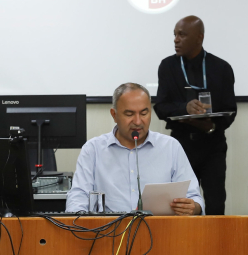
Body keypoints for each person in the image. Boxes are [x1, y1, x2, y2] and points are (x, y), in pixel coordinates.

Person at [66, 83, 205, 215]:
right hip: (109, 233)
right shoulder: (93, 150)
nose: (138, 121)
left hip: (161, 232)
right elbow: (78, 198)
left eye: (144, 113)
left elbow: (195, 198)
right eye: (129, 114)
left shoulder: (171, 147)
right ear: (114, 115)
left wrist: (193, 207)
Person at [154, 16, 236, 215]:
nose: (176, 39)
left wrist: (211, 126)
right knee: (180, 205)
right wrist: (185, 108)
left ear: (199, 38)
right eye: (174, 34)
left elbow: (230, 109)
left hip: (212, 145)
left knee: (215, 204)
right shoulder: (168, 66)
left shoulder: (221, 67)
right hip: (181, 146)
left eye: (182, 34)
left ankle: (216, 245)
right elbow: (161, 107)